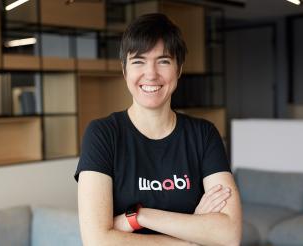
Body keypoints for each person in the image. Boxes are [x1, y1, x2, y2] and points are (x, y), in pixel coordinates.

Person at [75, 13, 242, 246]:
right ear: (124, 71)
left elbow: (229, 235)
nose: (151, 74)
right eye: (138, 61)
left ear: (179, 69)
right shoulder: (103, 135)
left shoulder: (204, 135)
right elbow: (97, 241)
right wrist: (193, 237)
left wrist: (139, 217)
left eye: (163, 61)